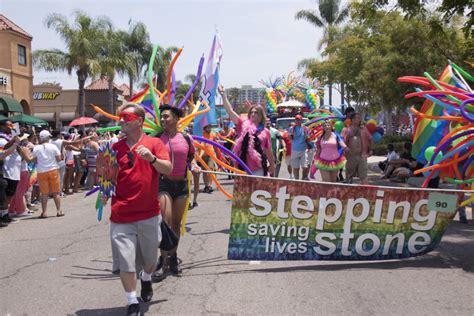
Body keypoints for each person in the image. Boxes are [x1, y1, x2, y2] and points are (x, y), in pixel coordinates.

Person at [101, 102, 172, 315]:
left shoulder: (154, 143)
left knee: (150, 260)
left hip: (149, 214)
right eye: (120, 118)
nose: (121, 121)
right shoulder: (114, 148)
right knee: (126, 260)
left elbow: (167, 169)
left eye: (126, 118)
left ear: (139, 121)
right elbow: (107, 176)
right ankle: (132, 300)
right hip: (121, 215)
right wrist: (104, 191)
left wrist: (151, 158)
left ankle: (147, 278)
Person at [152, 105, 200, 282]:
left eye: (166, 117)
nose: (163, 120)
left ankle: (173, 257)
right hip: (163, 184)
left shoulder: (186, 138)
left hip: (181, 185)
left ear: (176, 119)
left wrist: (194, 165)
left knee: (176, 225)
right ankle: (163, 261)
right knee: (165, 222)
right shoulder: (157, 139)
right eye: (161, 117)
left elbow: (191, 157)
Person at [218, 85, 275, 176]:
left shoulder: (265, 131)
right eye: (251, 112)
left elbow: (268, 150)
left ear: (261, 116)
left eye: (256, 112)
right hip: (242, 167)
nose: (253, 114)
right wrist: (223, 95)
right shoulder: (243, 124)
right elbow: (230, 111)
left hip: (258, 167)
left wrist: (272, 164)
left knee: (257, 190)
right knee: (243, 191)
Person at [24, 130, 63, 218]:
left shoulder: (37, 148)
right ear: (48, 138)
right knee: (56, 192)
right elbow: (59, 159)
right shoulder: (53, 146)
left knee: (44, 193)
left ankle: (44, 212)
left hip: (41, 171)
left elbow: (32, 159)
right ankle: (59, 211)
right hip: (53, 170)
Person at [343, 112, 373, 184]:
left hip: (362, 156)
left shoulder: (364, 129)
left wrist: (371, 149)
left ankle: (366, 193)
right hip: (351, 157)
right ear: (353, 119)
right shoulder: (346, 129)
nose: (360, 120)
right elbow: (342, 142)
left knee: (364, 176)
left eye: (360, 118)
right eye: (358, 118)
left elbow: (370, 138)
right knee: (349, 177)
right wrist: (345, 152)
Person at [288, 114, 309, 180]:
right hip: (295, 150)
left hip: (303, 150)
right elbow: (289, 138)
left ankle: (303, 178)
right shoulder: (292, 128)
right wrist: (291, 135)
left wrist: (306, 135)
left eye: (299, 120)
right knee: (296, 168)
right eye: (296, 120)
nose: (297, 121)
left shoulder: (305, 128)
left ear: (301, 120)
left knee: (305, 167)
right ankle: (297, 182)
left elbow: (308, 138)